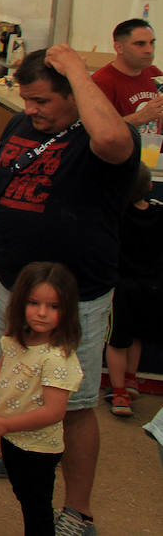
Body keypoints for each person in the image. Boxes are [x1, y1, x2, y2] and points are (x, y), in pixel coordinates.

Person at [0, 48, 137, 536]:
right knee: (8, 383)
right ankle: (7, 454)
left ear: (76, 94)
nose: (30, 109)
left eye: (42, 100)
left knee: (72, 405)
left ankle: (78, 511)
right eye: (26, 99)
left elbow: (116, 140)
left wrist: (77, 69)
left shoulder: (102, 137)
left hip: (74, 300)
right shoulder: (21, 128)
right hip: (12, 285)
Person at [0, 262, 83, 536]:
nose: (42, 313)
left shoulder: (58, 357)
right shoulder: (16, 339)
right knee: (24, 496)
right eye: (34, 303)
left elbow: (54, 412)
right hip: (11, 440)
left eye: (54, 306)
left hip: (37, 449)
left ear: (67, 310)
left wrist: (7, 425)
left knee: (36, 508)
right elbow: (1, 368)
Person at [105, 164, 161, 418]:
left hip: (121, 287)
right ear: (149, 187)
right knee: (136, 335)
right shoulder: (159, 212)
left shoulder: (116, 215)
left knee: (116, 341)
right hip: (151, 288)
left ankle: (119, 394)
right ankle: (130, 379)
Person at [91, 18, 161, 128]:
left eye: (152, 43)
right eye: (140, 44)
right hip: (123, 145)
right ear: (119, 48)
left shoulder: (153, 73)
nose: (149, 50)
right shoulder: (101, 82)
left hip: (151, 144)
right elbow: (98, 130)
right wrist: (140, 117)